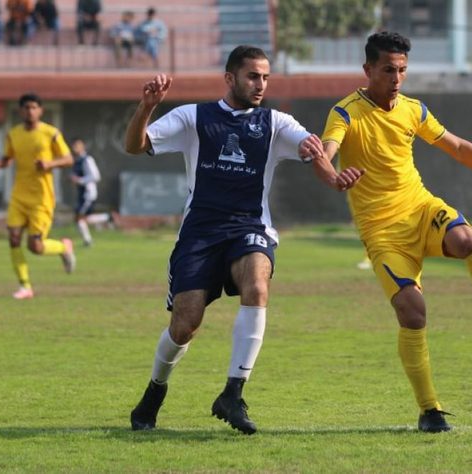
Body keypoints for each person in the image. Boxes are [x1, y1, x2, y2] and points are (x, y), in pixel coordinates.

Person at [313, 31, 472, 433]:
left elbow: (458, 147)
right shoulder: (346, 112)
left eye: (403, 70)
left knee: (468, 241)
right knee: (413, 312)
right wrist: (335, 177)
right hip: (383, 232)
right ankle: (430, 410)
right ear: (368, 69)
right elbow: (324, 154)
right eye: (388, 69)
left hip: (421, 208)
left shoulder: (413, 110)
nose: (397, 78)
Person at [124, 46, 359, 434]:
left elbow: (311, 151)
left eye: (266, 77)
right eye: (253, 76)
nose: (261, 84)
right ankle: (155, 391)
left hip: (250, 227)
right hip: (199, 234)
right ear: (230, 78)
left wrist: (333, 177)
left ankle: (233, 392)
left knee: (257, 284)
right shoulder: (193, 117)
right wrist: (146, 107)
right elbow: (136, 145)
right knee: (185, 325)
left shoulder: (276, 122)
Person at [0, 93, 77, 300]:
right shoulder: (13, 134)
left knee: (35, 247)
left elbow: (68, 159)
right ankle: (25, 286)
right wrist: (0, 164)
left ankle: (63, 247)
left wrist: (50, 164)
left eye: (33, 107)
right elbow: (8, 157)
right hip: (19, 195)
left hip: (42, 198)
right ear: (20, 111)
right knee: (13, 238)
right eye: (26, 108)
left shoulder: (51, 133)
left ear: (40, 110)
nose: (30, 111)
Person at [70, 138, 112, 247]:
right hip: (82, 193)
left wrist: (79, 180)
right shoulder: (77, 160)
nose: (75, 148)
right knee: (83, 218)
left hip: (88, 194)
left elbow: (95, 176)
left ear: (83, 146)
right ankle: (107, 217)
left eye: (77, 145)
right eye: (74, 145)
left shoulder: (87, 159)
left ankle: (88, 241)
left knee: (80, 217)